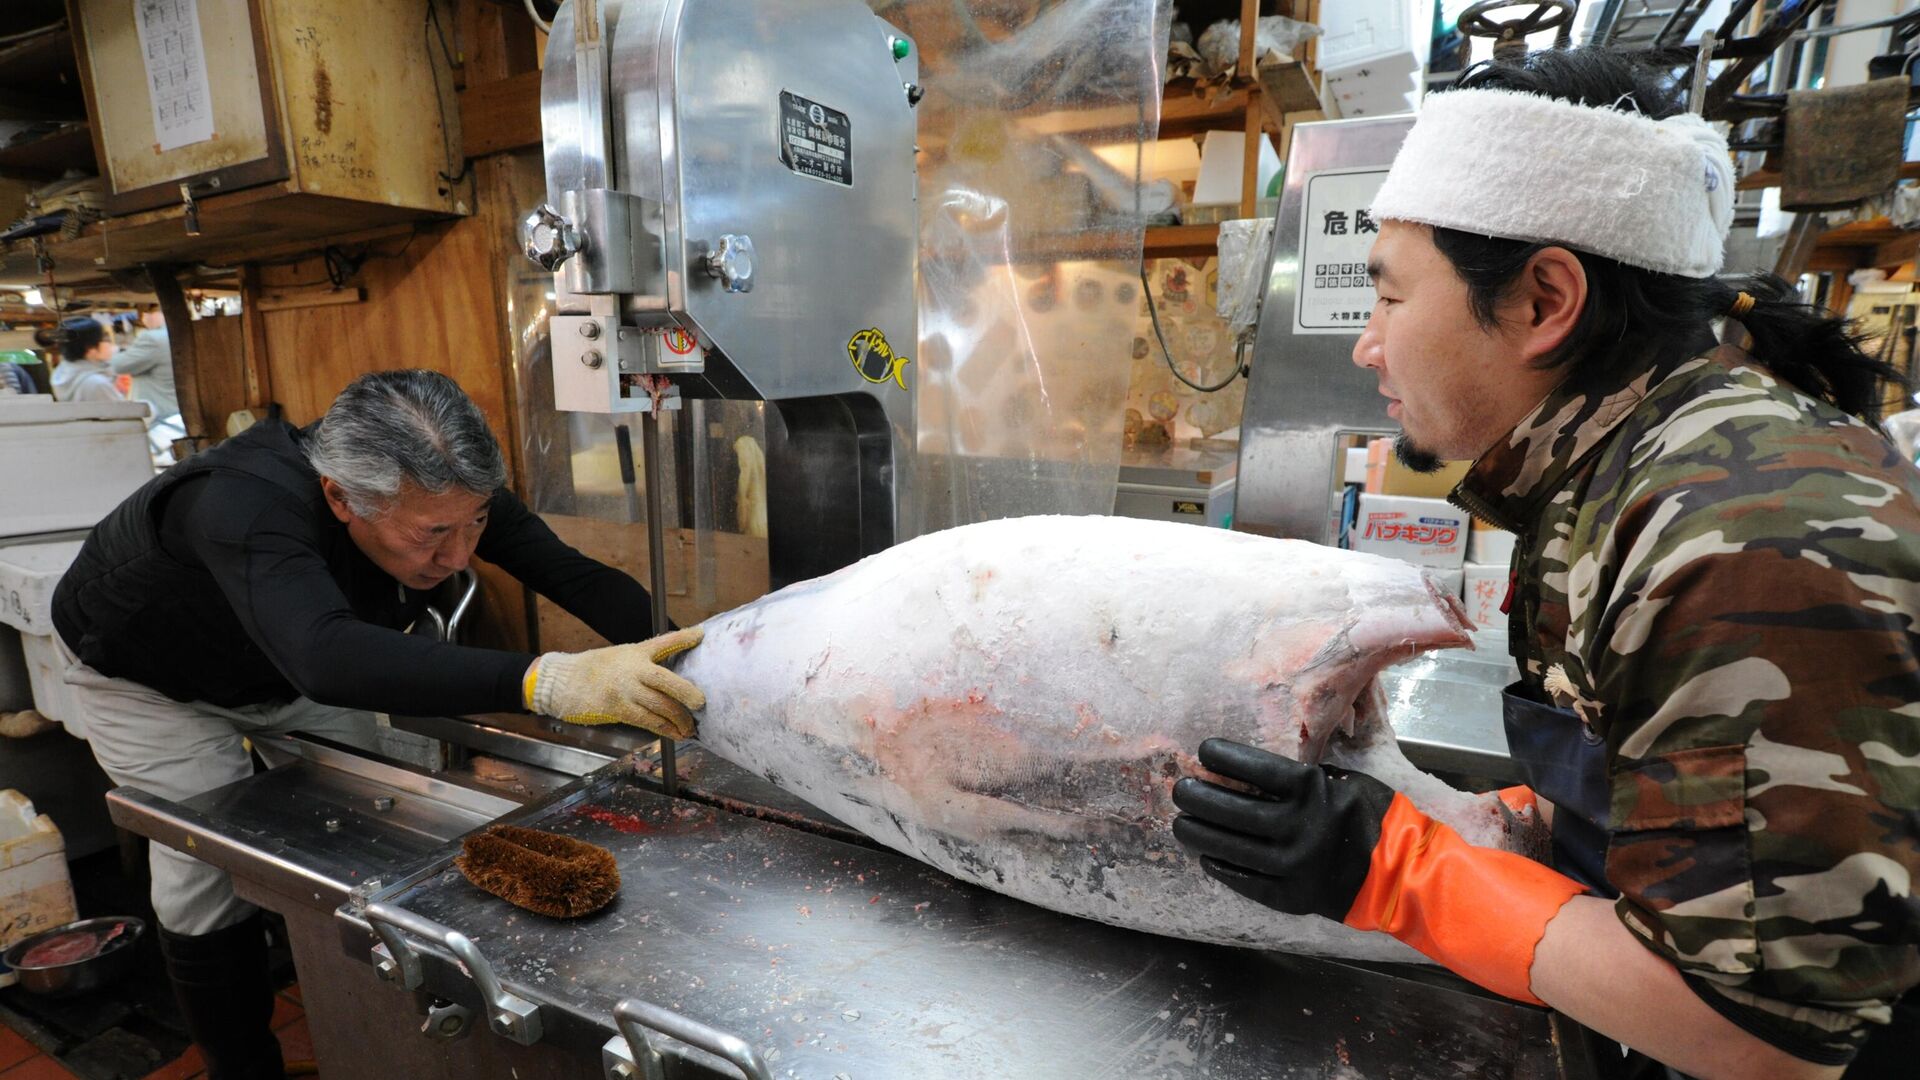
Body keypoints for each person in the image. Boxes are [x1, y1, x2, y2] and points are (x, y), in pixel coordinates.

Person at [1172, 49, 1917, 1080]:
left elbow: (1764, 1033)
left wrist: (1392, 867)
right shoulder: (1629, 470)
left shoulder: (1734, 537)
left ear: (1543, 301)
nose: (1367, 346)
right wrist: (1479, 822)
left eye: (1390, 300)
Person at [52, 369, 707, 1079]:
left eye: (476, 524)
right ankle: (241, 1067)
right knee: (206, 856)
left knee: (367, 827)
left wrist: (700, 668)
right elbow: (324, 657)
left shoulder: (447, 491)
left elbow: (572, 575)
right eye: (433, 535)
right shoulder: (242, 504)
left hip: (293, 663)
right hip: (152, 676)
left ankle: (367, 1024)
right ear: (340, 496)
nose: (460, 556)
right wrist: (541, 681)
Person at [111, 304, 180, 424]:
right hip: (178, 412)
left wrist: (110, 351)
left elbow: (118, 365)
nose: (143, 318)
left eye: (146, 313)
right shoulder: (181, 334)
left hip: (160, 417)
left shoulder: (152, 338)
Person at [49, 316, 126, 403]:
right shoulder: (97, 384)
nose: (110, 344)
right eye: (105, 339)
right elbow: (122, 414)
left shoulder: (62, 372)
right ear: (90, 347)